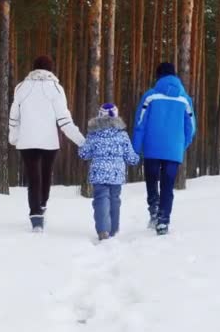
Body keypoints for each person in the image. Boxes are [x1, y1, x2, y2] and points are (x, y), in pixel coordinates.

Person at [9, 56, 85, 232]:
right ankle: (41, 206)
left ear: (34, 69)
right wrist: (82, 141)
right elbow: (65, 120)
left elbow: (14, 116)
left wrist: (13, 136)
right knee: (45, 174)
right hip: (49, 142)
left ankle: (36, 216)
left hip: (26, 141)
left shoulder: (21, 87)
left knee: (33, 177)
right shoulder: (56, 89)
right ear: (50, 70)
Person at [132, 63, 196, 236]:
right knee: (168, 186)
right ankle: (163, 221)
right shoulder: (185, 99)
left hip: (152, 148)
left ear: (158, 76)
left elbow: (140, 124)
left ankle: (154, 210)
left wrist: (136, 149)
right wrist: (181, 145)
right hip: (173, 150)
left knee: (152, 181)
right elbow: (190, 127)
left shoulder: (150, 97)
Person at [79, 103, 139, 241]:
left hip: (98, 174)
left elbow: (84, 154)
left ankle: (103, 230)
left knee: (101, 199)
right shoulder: (122, 136)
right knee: (114, 200)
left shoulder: (93, 135)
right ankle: (114, 229)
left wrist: (82, 147)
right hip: (116, 175)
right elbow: (130, 157)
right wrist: (136, 158)